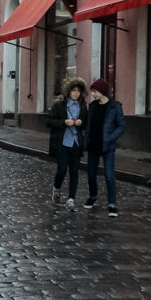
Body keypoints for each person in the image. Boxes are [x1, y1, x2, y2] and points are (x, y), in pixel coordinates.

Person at [82, 78, 125, 217]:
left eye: (94, 91)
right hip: (93, 145)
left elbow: (121, 126)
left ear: (102, 91)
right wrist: (85, 141)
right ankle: (92, 196)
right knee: (91, 174)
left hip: (108, 146)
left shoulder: (115, 106)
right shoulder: (93, 106)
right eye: (92, 91)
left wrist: (110, 138)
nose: (93, 94)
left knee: (109, 176)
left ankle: (112, 204)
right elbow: (89, 125)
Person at [46, 76, 87, 211]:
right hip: (63, 144)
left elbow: (86, 123)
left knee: (74, 172)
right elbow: (49, 121)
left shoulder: (82, 106)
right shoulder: (59, 105)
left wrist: (81, 123)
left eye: (78, 91)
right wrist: (64, 122)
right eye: (73, 90)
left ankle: (71, 199)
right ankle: (56, 188)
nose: (76, 93)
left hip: (76, 144)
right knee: (62, 171)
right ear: (68, 91)